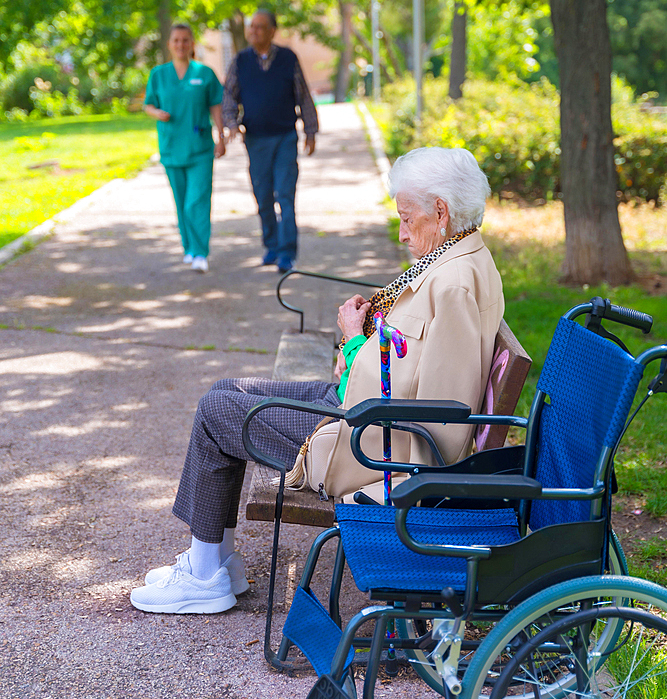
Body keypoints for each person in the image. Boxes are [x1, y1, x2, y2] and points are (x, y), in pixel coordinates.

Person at [130, 147, 504, 614]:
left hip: (376, 447)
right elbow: (416, 367)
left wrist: (353, 345)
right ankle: (218, 562)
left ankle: (205, 575)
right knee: (225, 390)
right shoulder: (458, 257)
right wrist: (368, 336)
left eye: (408, 220)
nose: (404, 234)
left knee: (216, 413)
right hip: (367, 415)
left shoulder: (452, 283)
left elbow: (438, 412)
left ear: (442, 212)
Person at [222, 10, 318, 274]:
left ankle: (287, 252)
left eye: (260, 27)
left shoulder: (288, 58)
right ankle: (272, 246)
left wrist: (311, 130)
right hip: (255, 140)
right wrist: (231, 124)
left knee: (285, 196)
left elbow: (303, 94)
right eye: (251, 27)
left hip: (285, 137)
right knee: (263, 196)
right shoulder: (240, 61)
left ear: (272, 31)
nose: (254, 31)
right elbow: (229, 95)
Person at [144, 24, 225, 274]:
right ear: (169, 44)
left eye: (185, 40)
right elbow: (148, 105)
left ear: (192, 44)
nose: (181, 45)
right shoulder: (158, 74)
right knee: (180, 202)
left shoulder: (205, 73)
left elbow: (216, 106)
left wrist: (221, 135)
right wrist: (157, 113)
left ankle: (201, 252)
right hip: (171, 148)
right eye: (176, 40)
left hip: (200, 147)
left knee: (196, 201)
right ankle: (189, 247)